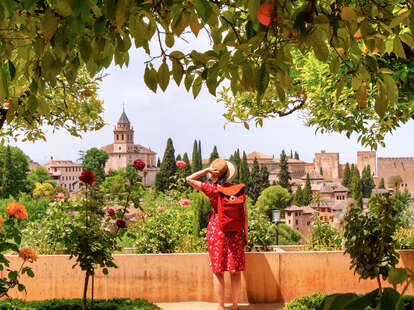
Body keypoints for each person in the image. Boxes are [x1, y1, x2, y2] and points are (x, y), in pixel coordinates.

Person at [186, 158, 248, 310]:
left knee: (218, 271)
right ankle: (235, 307)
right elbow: (245, 215)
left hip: (217, 231)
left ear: (215, 174)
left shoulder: (213, 190)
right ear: (228, 173)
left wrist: (206, 171)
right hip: (235, 232)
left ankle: (221, 307)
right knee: (235, 271)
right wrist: (245, 234)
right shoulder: (238, 190)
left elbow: (189, 179)